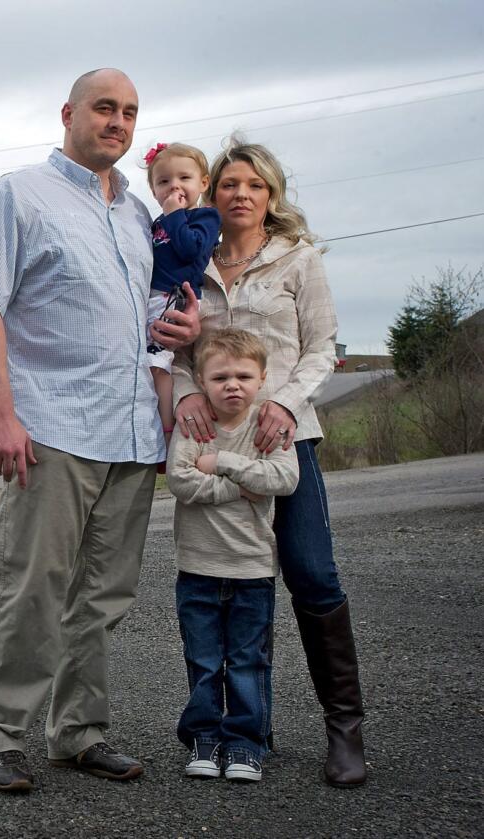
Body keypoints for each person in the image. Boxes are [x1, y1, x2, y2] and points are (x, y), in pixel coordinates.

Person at [0, 68, 201, 793]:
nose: (117, 122)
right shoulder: (18, 195)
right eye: (104, 107)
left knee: (104, 596)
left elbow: (141, 317)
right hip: (50, 429)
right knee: (33, 586)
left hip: (130, 435)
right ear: (69, 113)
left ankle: (79, 732)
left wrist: (181, 328)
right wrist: (1, 413)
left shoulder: (136, 215)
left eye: (129, 112)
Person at [172, 135, 368, 788]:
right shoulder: (188, 262)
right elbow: (174, 352)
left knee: (311, 573)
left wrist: (284, 403)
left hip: (287, 437)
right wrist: (184, 396)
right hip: (216, 445)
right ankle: (252, 728)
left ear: (271, 195)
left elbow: (322, 347)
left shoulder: (297, 259)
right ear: (211, 193)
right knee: (234, 581)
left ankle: (345, 728)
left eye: (254, 184)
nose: (241, 194)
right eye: (229, 183)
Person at [166, 328, 298, 783]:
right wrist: (244, 487)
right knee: (203, 660)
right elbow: (181, 482)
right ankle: (205, 738)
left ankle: (245, 744)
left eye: (244, 375)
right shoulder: (193, 427)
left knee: (247, 661)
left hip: (252, 569)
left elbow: (283, 480)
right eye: (220, 376)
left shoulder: (270, 427)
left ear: (262, 378)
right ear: (201, 381)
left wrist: (222, 463)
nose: (232, 385)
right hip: (198, 568)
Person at [142, 142, 221, 438]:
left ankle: (165, 431)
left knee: (158, 364)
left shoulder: (206, 218)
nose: (174, 186)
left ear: (203, 183)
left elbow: (191, 251)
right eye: (164, 181)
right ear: (153, 191)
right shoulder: (158, 222)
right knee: (142, 363)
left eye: (184, 179)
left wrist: (175, 214)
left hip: (174, 298)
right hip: (151, 297)